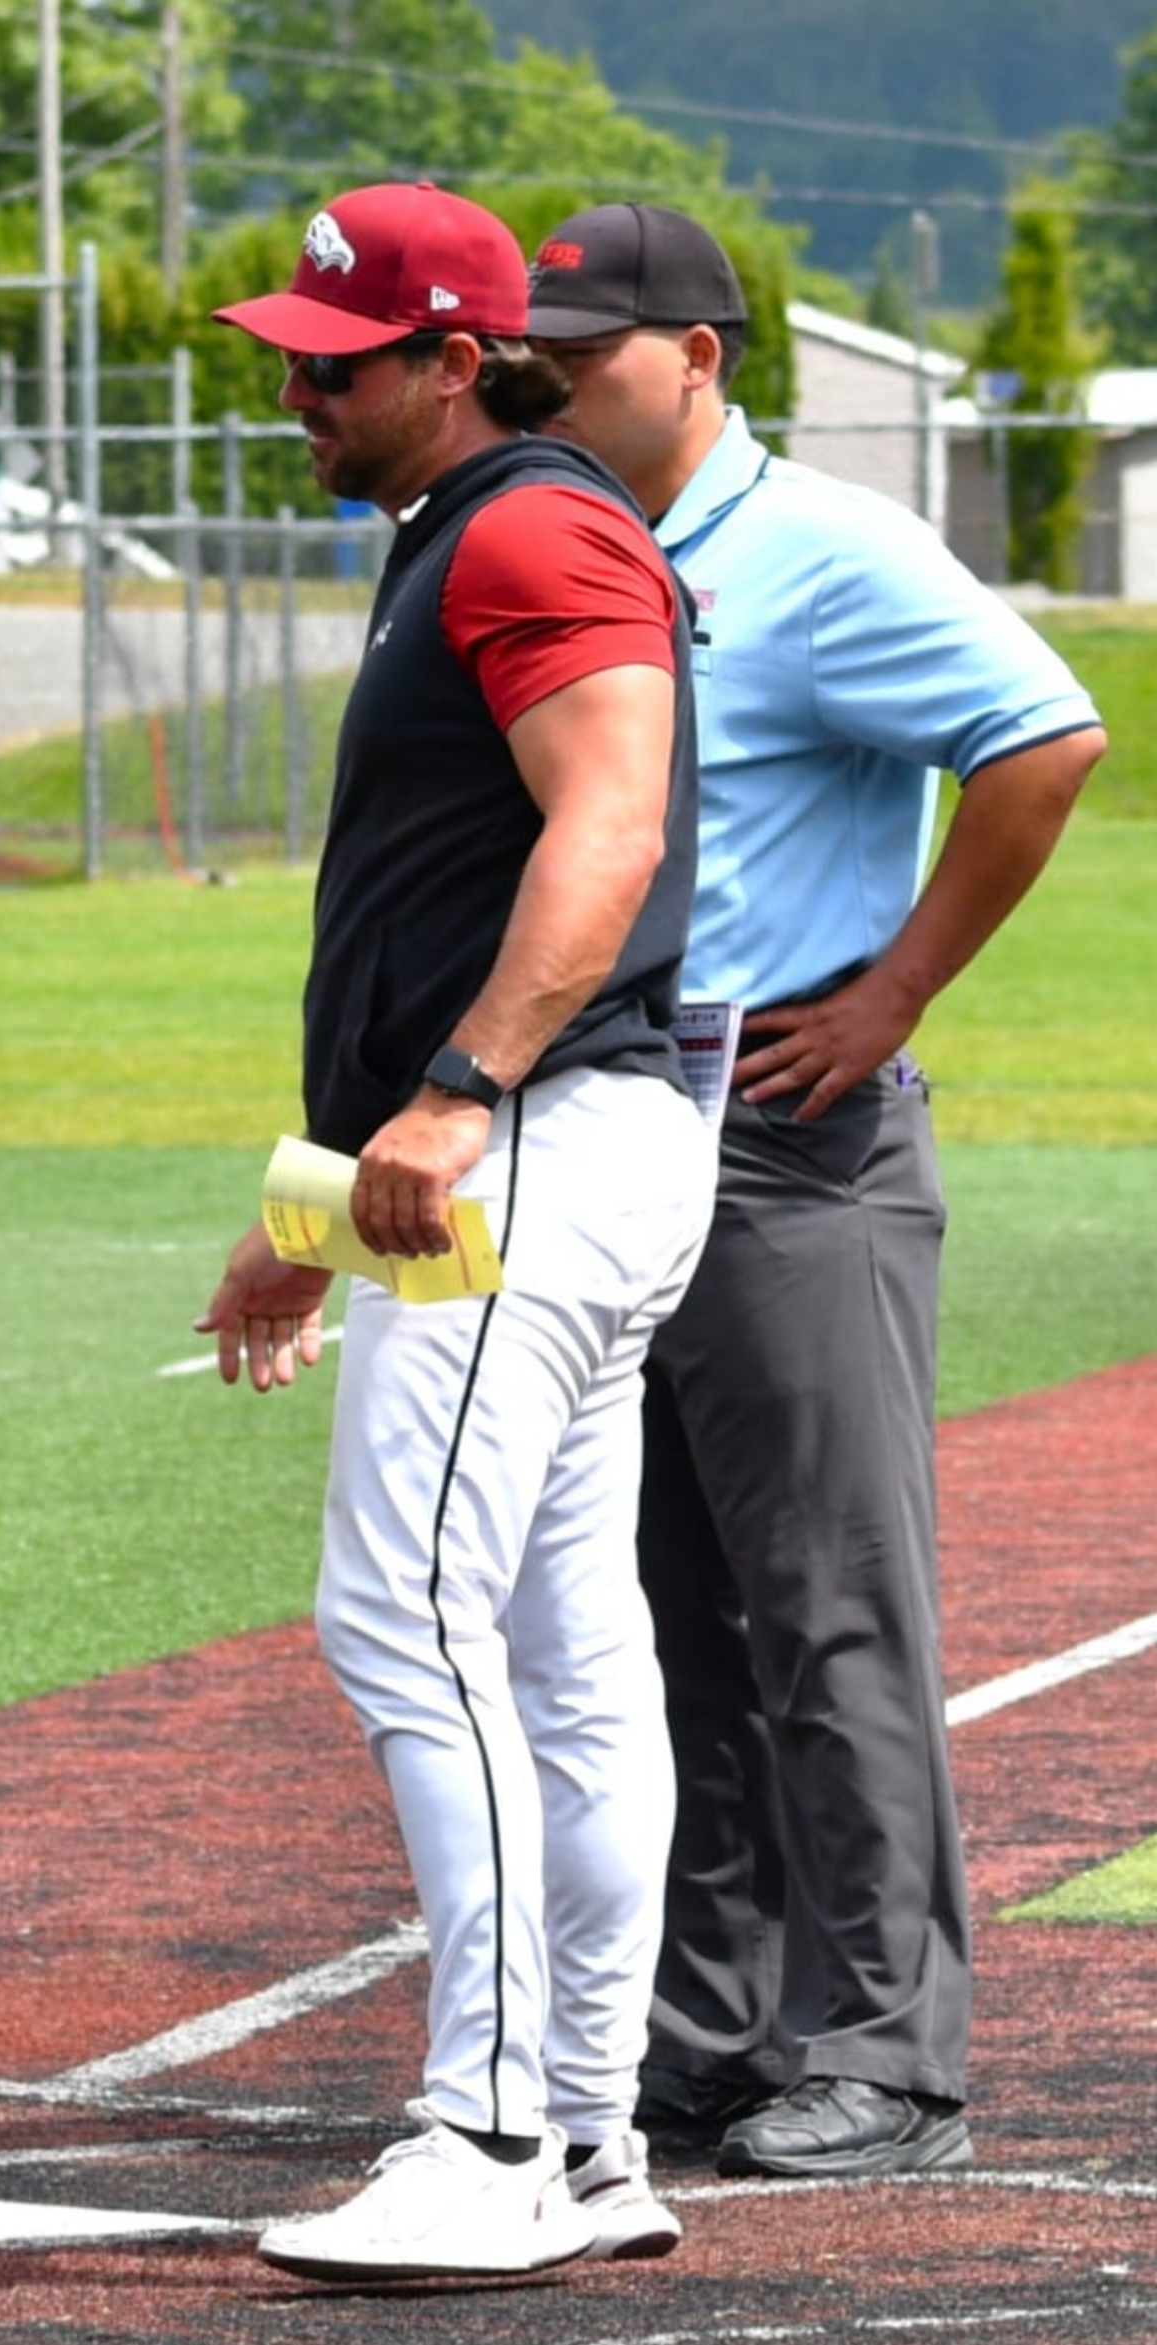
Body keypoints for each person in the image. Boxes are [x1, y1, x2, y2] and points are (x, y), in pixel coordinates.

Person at [526, 202, 1107, 2180]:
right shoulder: (591, 546)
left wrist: (898, 986)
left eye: (589, 347)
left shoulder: (824, 544)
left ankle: (884, 2052)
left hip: (792, 1126)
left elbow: (1042, 736)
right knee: (665, 1611)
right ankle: (707, 2028)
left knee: (833, 1615)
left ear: (700, 353)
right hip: (626, 1120)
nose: (550, 377)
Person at [195, 181, 714, 2282]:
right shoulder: (461, 534)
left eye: (337, 361)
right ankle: (586, 2138)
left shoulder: (529, 524)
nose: (298, 393)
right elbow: (437, 905)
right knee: (565, 1658)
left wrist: (459, 1095)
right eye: (291, 355)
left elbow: (612, 815)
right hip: (546, 1150)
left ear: (451, 354)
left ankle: (491, 2129)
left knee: (405, 1617)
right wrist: (314, 1205)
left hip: (546, 1143)